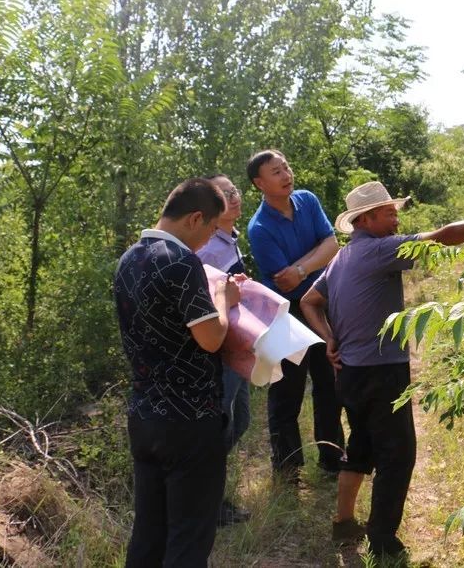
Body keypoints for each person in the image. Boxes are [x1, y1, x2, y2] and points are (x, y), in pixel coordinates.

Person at [300, 181, 464, 562]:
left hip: (352, 375)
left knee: (359, 446)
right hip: (381, 373)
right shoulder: (378, 250)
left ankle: (344, 522)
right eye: (389, 213)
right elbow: (444, 237)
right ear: (367, 218)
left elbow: (309, 300)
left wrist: (329, 340)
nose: (396, 219)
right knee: (397, 455)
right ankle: (382, 540)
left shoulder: (340, 258)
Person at [113, 177, 243, 567]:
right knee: (189, 538)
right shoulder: (182, 262)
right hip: (190, 420)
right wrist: (224, 297)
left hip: (144, 415)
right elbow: (211, 338)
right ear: (196, 218)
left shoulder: (129, 259)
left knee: (148, 536)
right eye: (210, 229)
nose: (208, 240)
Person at [245, 149, 344, 482]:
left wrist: (301, 267)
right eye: (276, 172)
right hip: (285, 316)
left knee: (329, 384)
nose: (286, 174)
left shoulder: (308, 200)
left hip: (321, 305)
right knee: (287, 391)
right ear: (260, 183)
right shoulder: (259, 228)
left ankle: (332, 458)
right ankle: (287, 469)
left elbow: (333, 244)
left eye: (286, 167)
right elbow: (283, 281)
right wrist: (316, 260)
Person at [196, 173, 251, 526]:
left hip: (237, 346)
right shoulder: (207, 247)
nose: (232, 197)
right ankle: (207, 504)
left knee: (240, 420)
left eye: (234, 191)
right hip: (219, 349)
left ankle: (206, 493)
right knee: (223, 422)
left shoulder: (229, 241)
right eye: (223, 193)